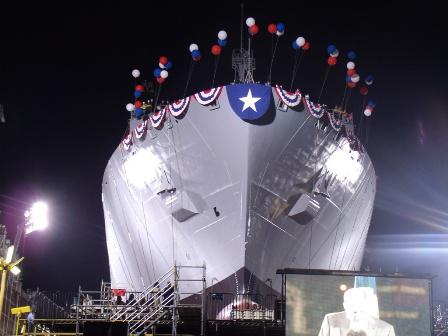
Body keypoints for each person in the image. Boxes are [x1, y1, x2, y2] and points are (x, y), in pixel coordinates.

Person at [318, 287, 395, 336]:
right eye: (354, 312)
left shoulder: (386, 329)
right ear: (345, 306)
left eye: (361, 311)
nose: (357, 316)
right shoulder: (330, 320)